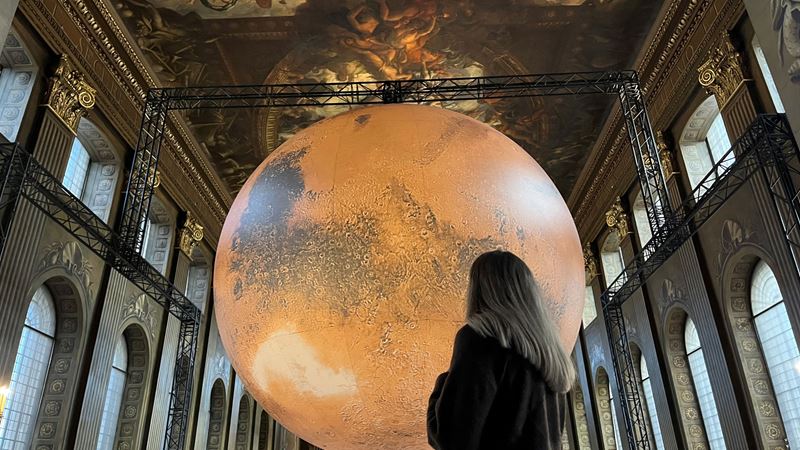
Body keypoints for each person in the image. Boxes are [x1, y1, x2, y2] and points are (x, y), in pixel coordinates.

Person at [427, 250, 575, 450]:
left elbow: (450, 438)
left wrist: (443, 383)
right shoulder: (551, 357)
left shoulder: (479, 339)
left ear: (479, 290)